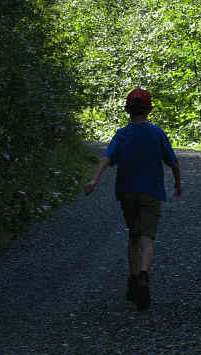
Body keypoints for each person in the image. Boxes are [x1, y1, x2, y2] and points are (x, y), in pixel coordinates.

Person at [84, 88, 183, 311]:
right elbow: (173, 162)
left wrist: (94, 181)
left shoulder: (122, 134)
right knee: (147, 237)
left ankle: (132, 280)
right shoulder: (157, 133)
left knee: (134, 235)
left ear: (128, 110)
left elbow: (107, 158)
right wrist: (178, 183)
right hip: (151, 191)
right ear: (149, 110)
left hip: (127, 191)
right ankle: (144, 274)